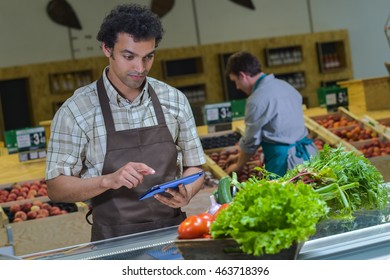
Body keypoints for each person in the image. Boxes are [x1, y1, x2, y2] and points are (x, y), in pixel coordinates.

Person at [45, 4, 206, 241]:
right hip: (113, 241)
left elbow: (196, 167)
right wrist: (108, 180)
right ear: (107, 49)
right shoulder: (76, 111)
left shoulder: (174, 100)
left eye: (148, 57)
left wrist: (188, 193)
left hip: (172, 234)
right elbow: (56, 187)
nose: (140, 68)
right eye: (129, 57)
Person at [224, 51, 317, 177]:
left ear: (243, 76)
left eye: (235, 81)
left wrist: (238, 166)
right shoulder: (285, 86)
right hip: (311, 157)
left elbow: (251, 142)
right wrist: (238, 155)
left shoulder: (256, 100)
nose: (237, 87)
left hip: (285, 164)